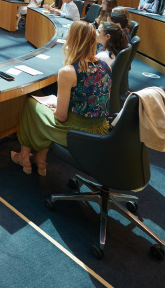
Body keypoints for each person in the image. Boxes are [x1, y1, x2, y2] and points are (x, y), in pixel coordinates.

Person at [11, 20, 111, 176]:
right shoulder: (106, 66)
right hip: (101, 129)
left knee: (31, 104)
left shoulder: (68, 72)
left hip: (77, 132)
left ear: (72, 40)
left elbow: (62, 117)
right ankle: (40, 160)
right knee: (48, 110)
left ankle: (24, 157)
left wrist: (55, 108)